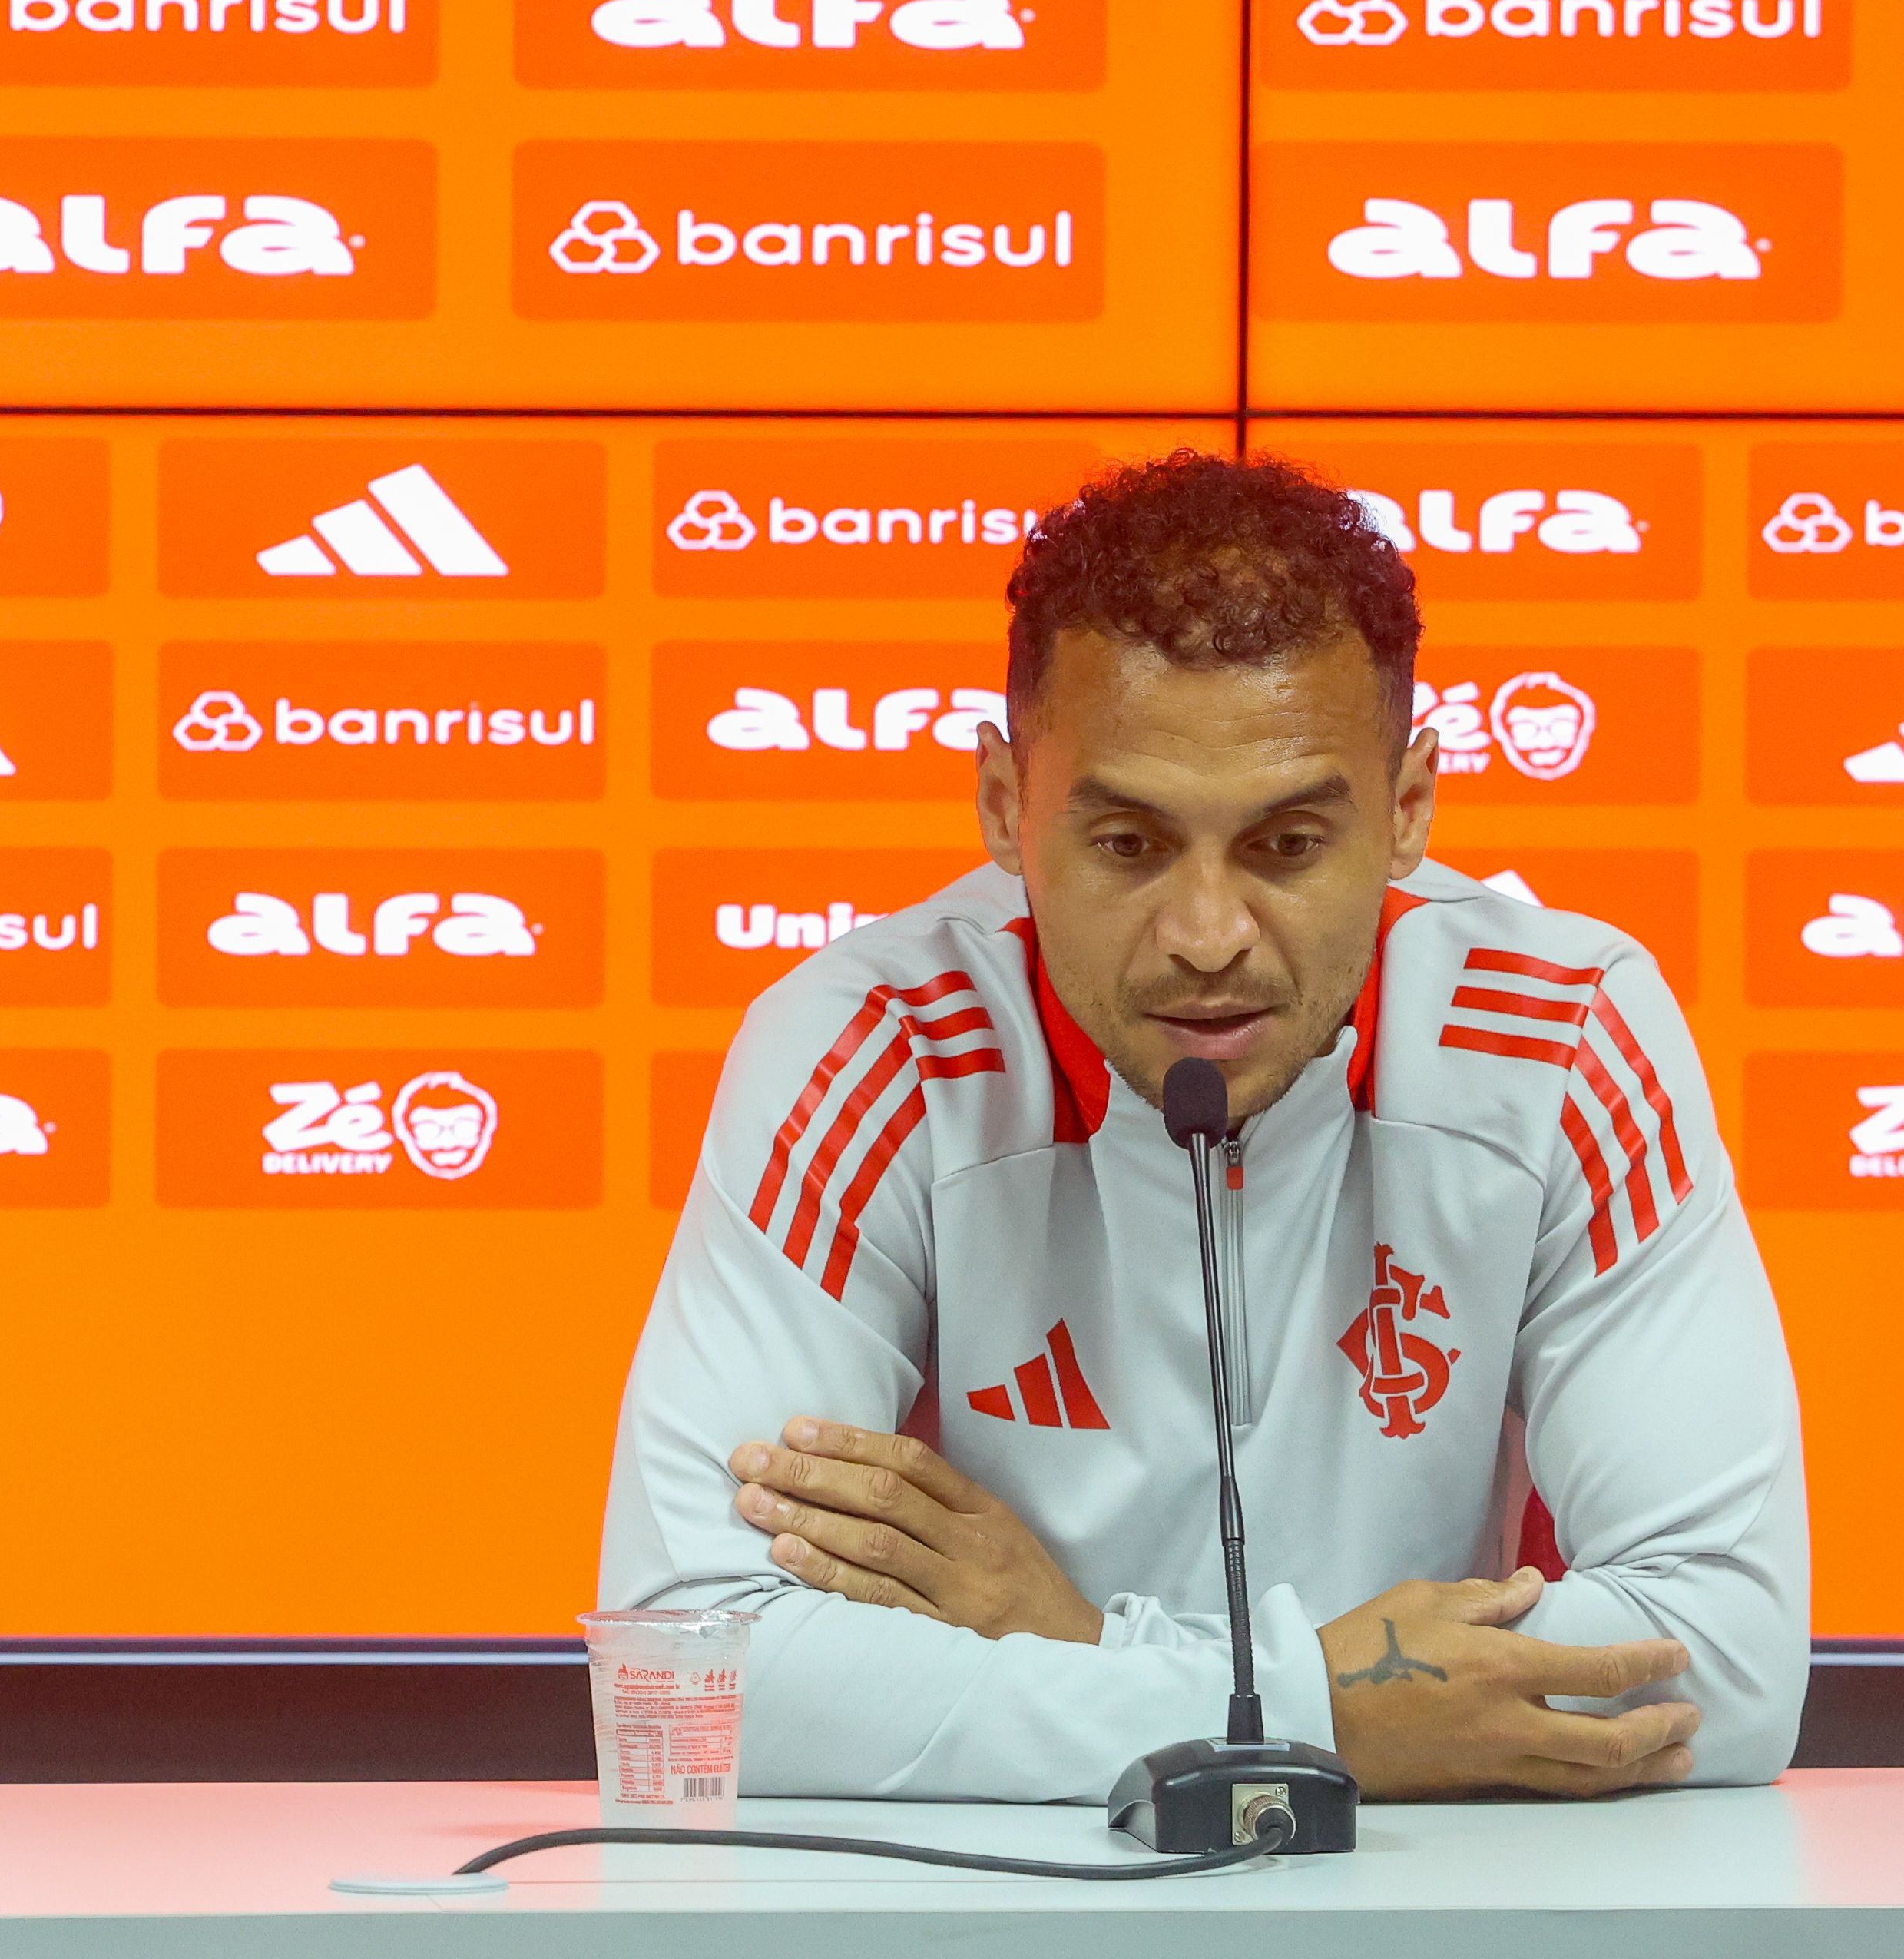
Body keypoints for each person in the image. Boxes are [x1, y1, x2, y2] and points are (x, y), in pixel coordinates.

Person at [599, 450, 1805, 1802]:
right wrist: (1322, 1719)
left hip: (1427, 1933)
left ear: (1408, 810)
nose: (1208, 936)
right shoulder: (873, 1043)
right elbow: (683, 1679)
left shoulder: (1562, 1031)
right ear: (1007, 805)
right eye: (1127, 845)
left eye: (1288, 846)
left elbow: (1731, 1661)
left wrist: (1083, 1650)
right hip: (993, 1932)